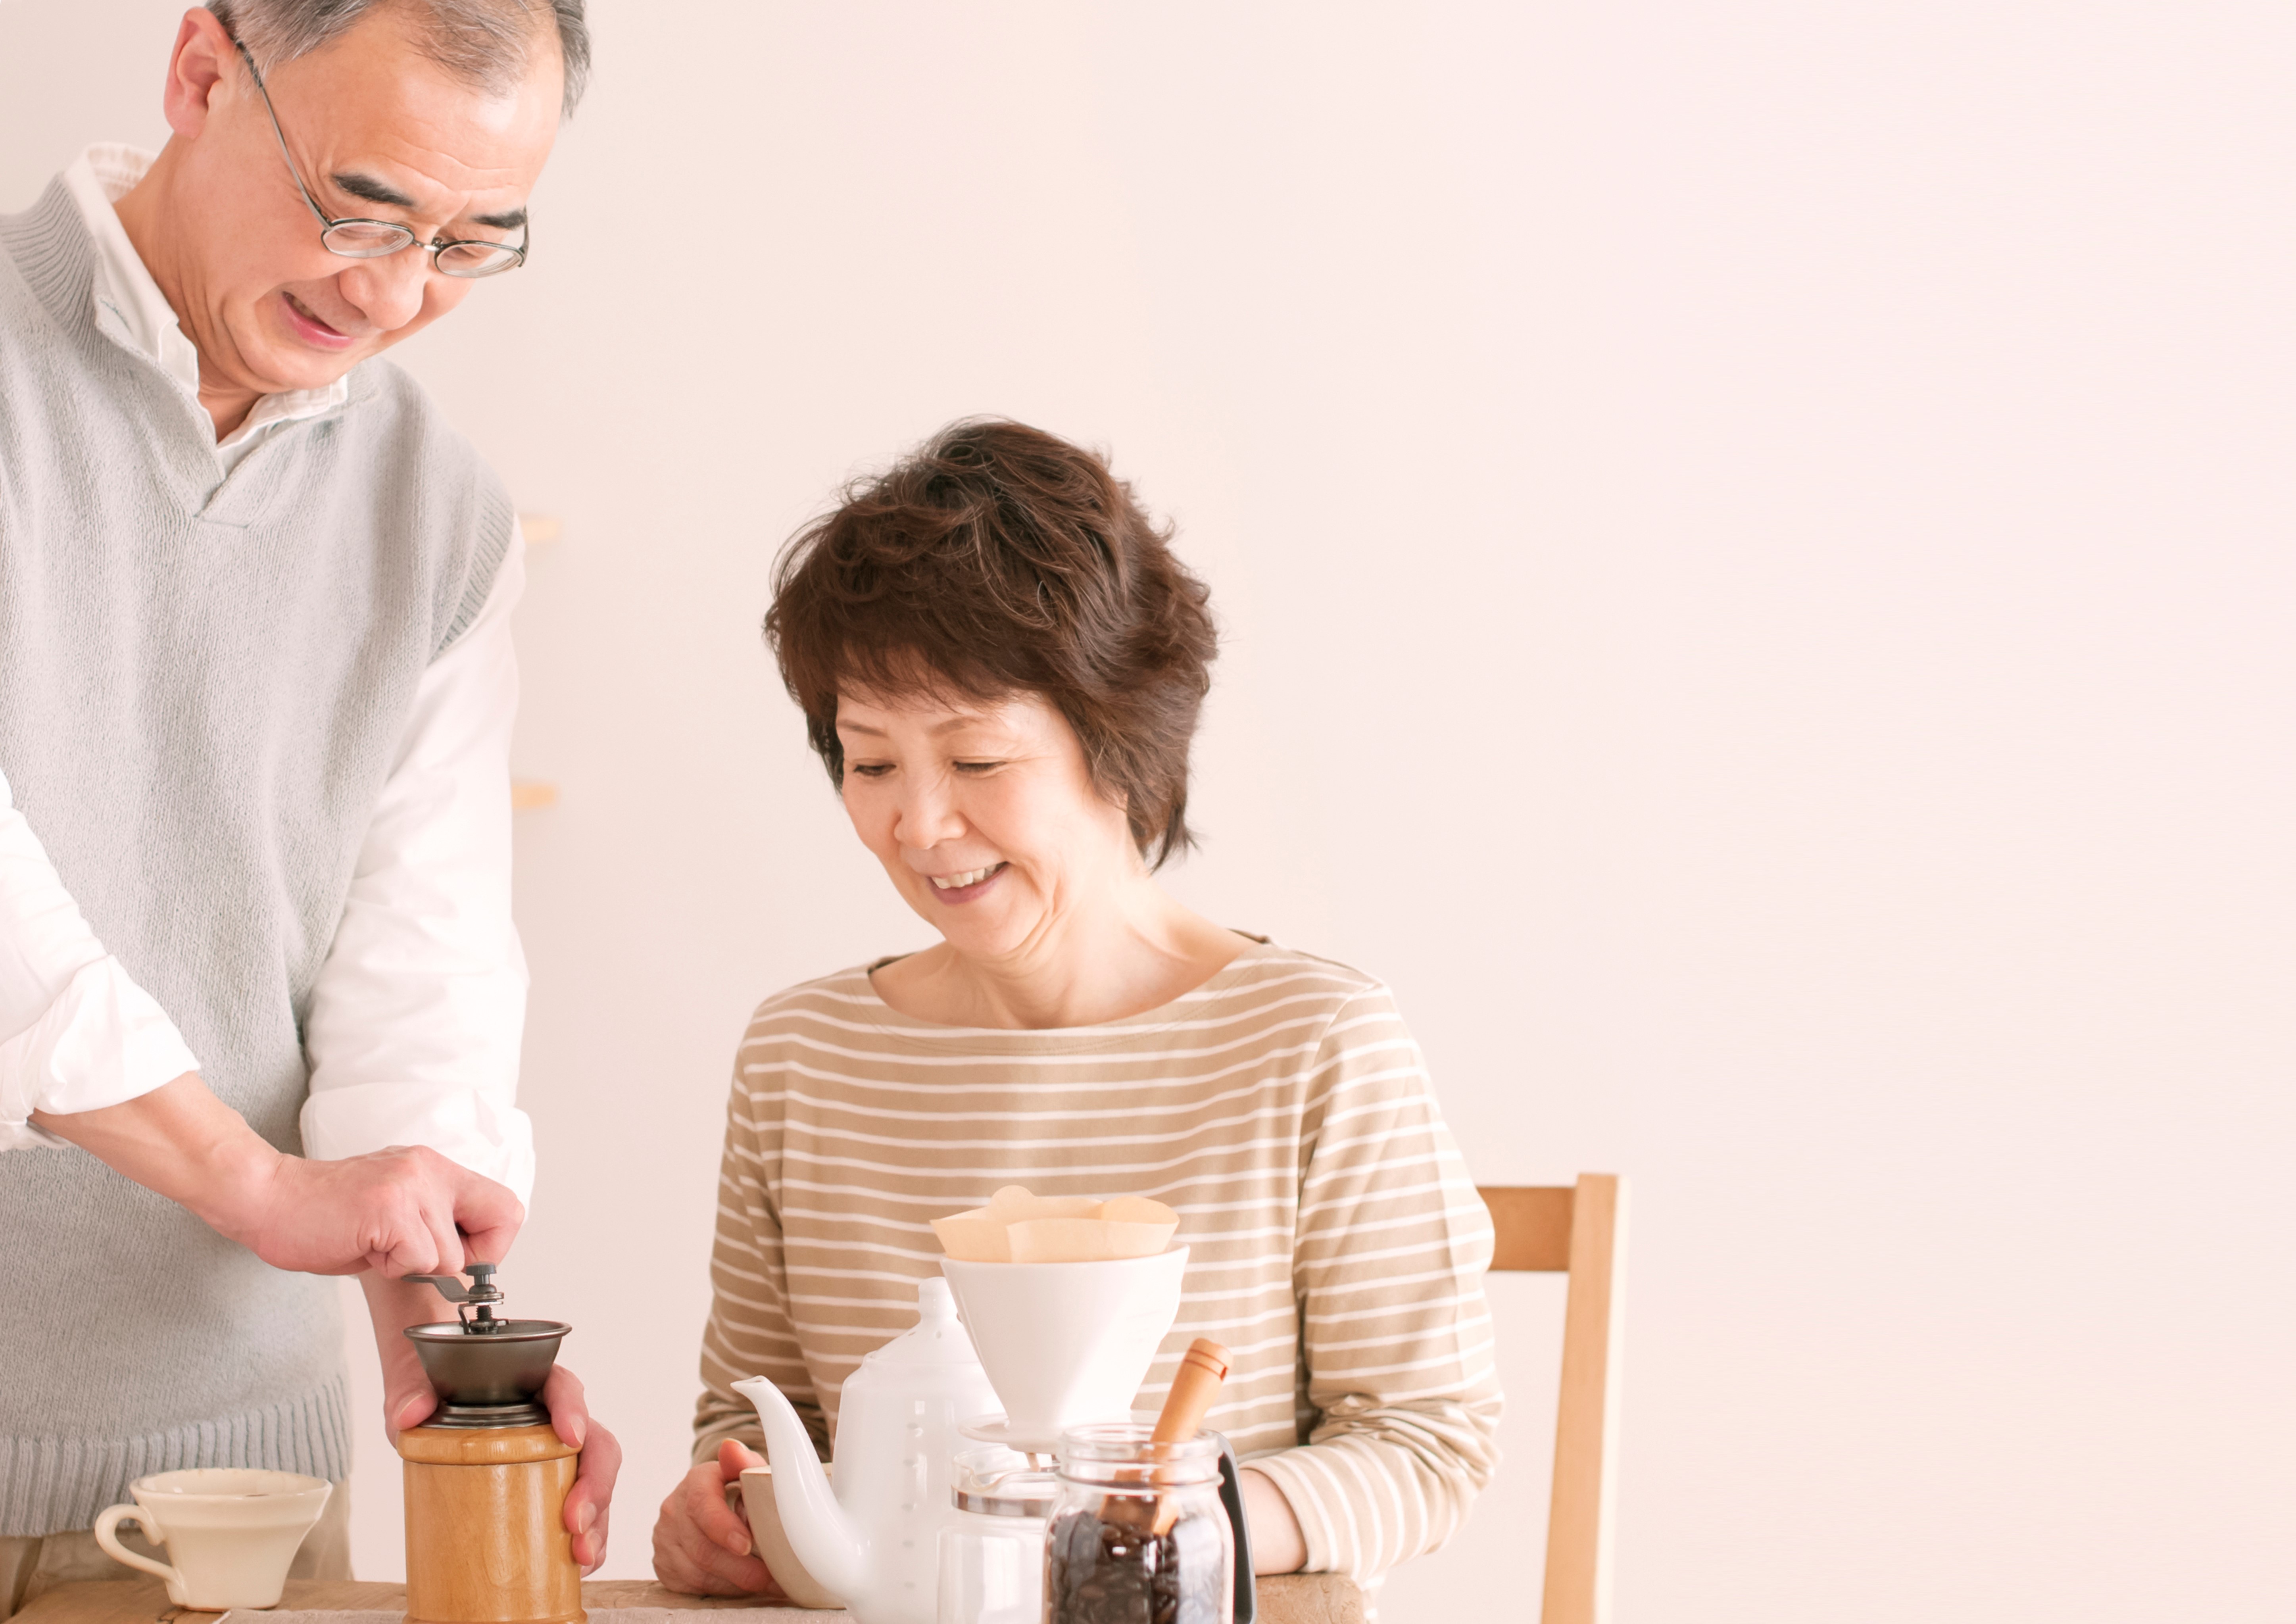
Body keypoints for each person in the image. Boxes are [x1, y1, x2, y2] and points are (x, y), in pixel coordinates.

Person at [650, 420, 1501, 1594]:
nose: (920, 825)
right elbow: (755, 1432)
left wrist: (1149, 1529)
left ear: (1120, 740)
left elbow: (1426, 1447)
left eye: (978, 761)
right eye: (872, 762)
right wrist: (726, 1512)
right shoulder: (804, 1055)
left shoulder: (1312, 1042)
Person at [0, 3, 620, 1610]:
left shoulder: (438, 518)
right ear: (204, 73)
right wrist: (255, 1184)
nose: (394, 294)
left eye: (470, 244)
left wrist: (447, 1336)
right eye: (361, 209)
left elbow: (417, 976)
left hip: (222, 1502)